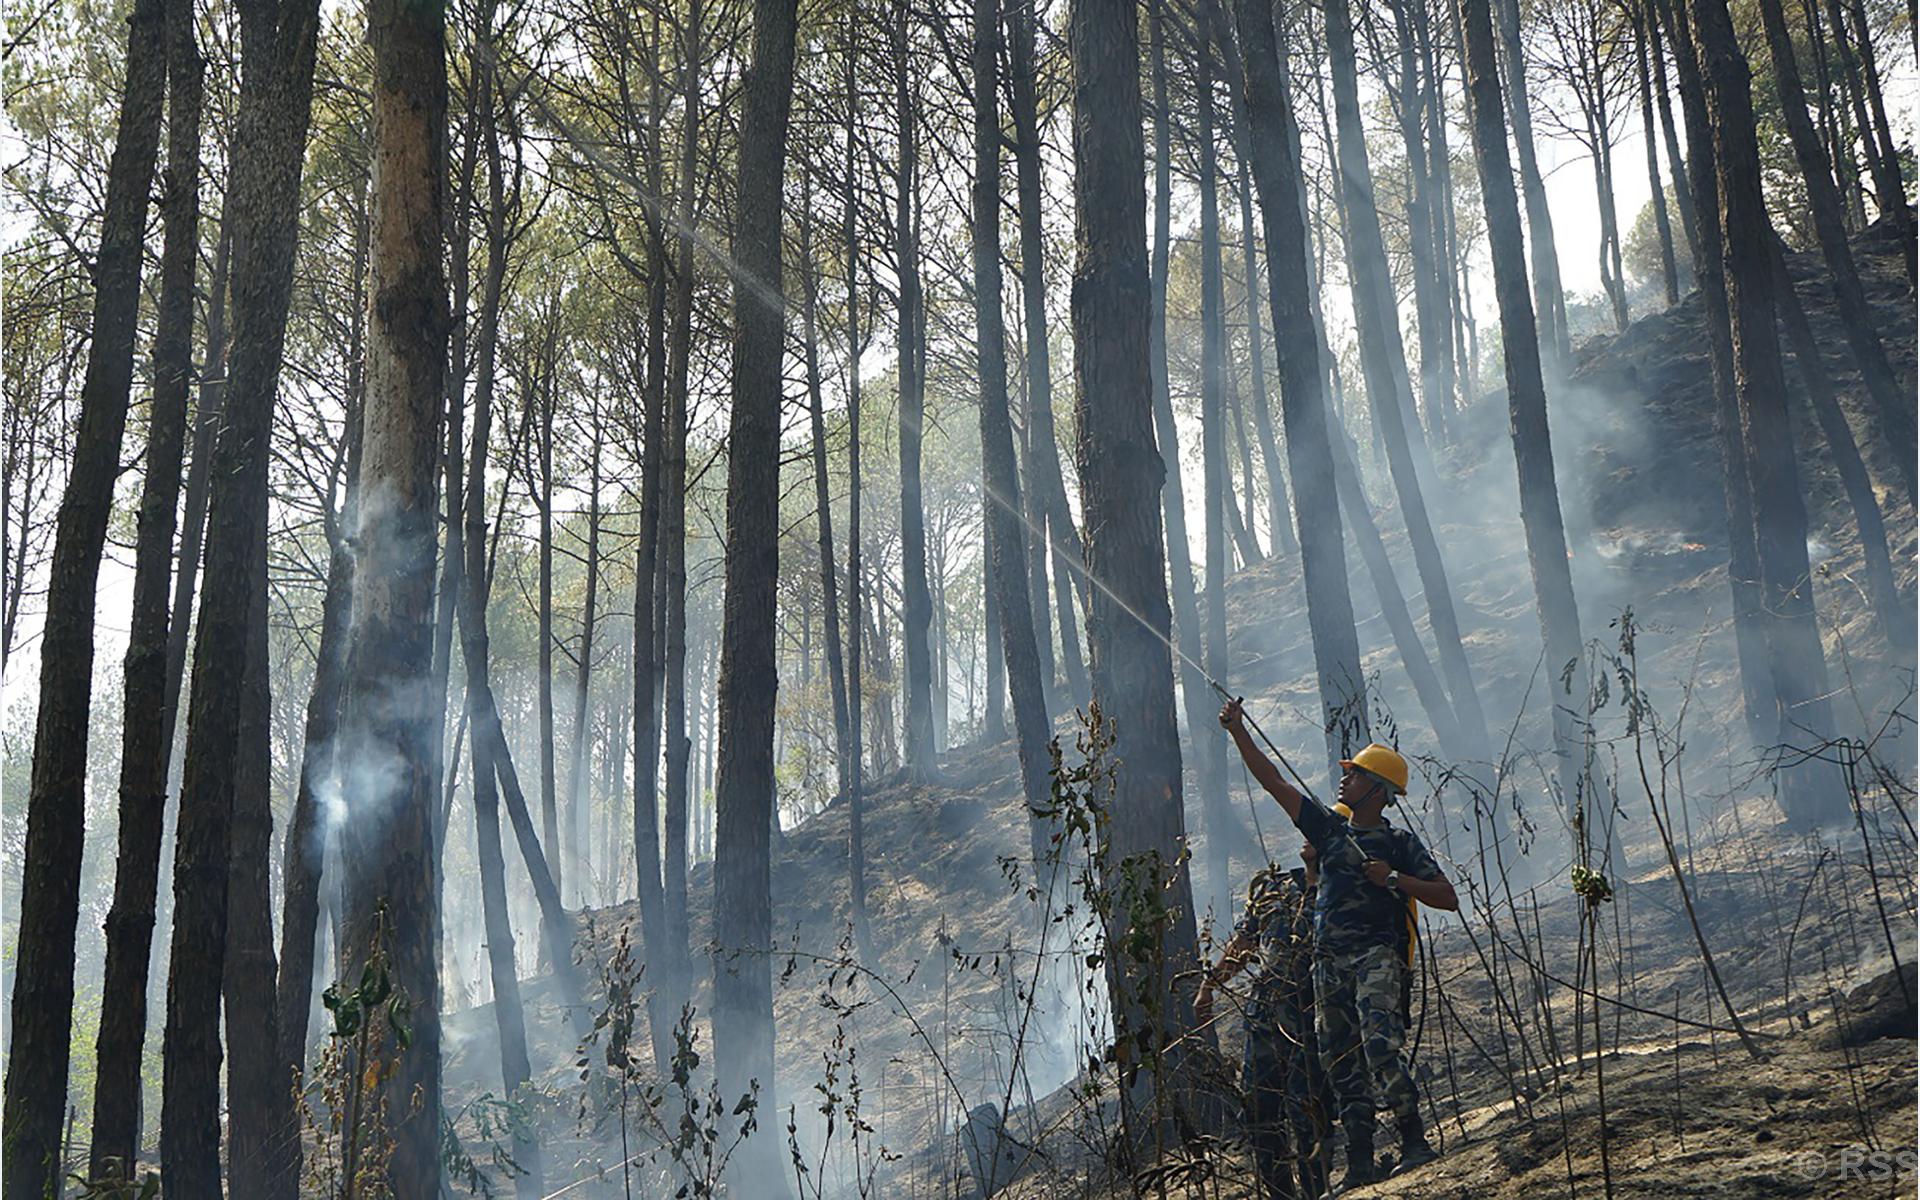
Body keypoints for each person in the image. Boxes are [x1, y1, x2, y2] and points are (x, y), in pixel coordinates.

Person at [1219, 697, 1459, 1195]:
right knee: (1340, 1061)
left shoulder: (1399, 844)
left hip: (1377, 957)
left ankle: (1414, 1141)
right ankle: (1361, 1163)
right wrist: (1239, 732)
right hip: (1328, 964)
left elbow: (1447, 897)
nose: (1344, 778)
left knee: (1380, 1048)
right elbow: (1274, 782)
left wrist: (1393, 879)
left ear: (1379, 790)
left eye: (1355, 774)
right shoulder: (1328, 833)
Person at [1196, 843, 1335, 1198]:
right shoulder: (1275, 887)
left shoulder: (1342, 886)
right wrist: (1209, 987)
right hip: (1265, 1017)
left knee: (1309, 1112)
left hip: (1314, 1017)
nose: (1307, 840)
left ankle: (1318, 1192)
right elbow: (1244, 944)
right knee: (1258, 1113)